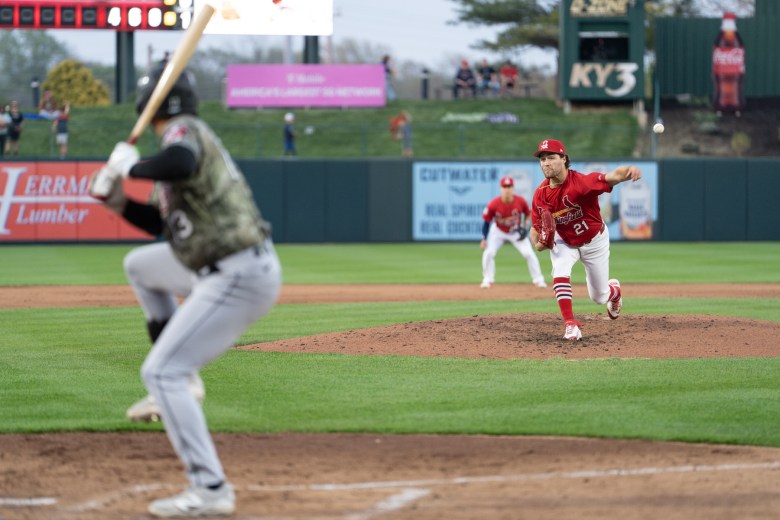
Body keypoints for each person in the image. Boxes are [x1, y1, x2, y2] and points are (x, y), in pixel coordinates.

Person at [88, 65, 282, 517]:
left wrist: (126, 166)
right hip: (221, 265)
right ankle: (186, 380)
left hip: (237, 272)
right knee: (140, 265)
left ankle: (210, 488)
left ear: (151, 105)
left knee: (161, 373)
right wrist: (117, 201)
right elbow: (164, 227)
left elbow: (182, 161)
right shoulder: (175, 145)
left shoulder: (184, 130)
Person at [529, 138, 641, 341]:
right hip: (564, 241)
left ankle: (614, 292)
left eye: (551, 157)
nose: (546, 163)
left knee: (598, 297)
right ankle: (570, 324)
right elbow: (535, 230)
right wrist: (539, 244)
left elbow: (612, 176)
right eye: (542, 159)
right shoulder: (540, 195)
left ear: (564, 159)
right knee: (560, 271)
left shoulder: (580, 183)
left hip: (594, 241)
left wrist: (629, 170)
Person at [480, 176, 546, 289]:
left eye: (509, 186)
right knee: (488, 253)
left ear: (513, 188)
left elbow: (528, 213)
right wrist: (484, 238)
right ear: (501, 188)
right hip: (498, 231)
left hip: (516, 231)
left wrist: (526, 224)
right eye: (505, 187)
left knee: (529, 253)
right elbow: (486, 221)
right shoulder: (493, 204)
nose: (507, 189)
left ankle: (538, 280)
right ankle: (488, 279)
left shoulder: (520, 201)